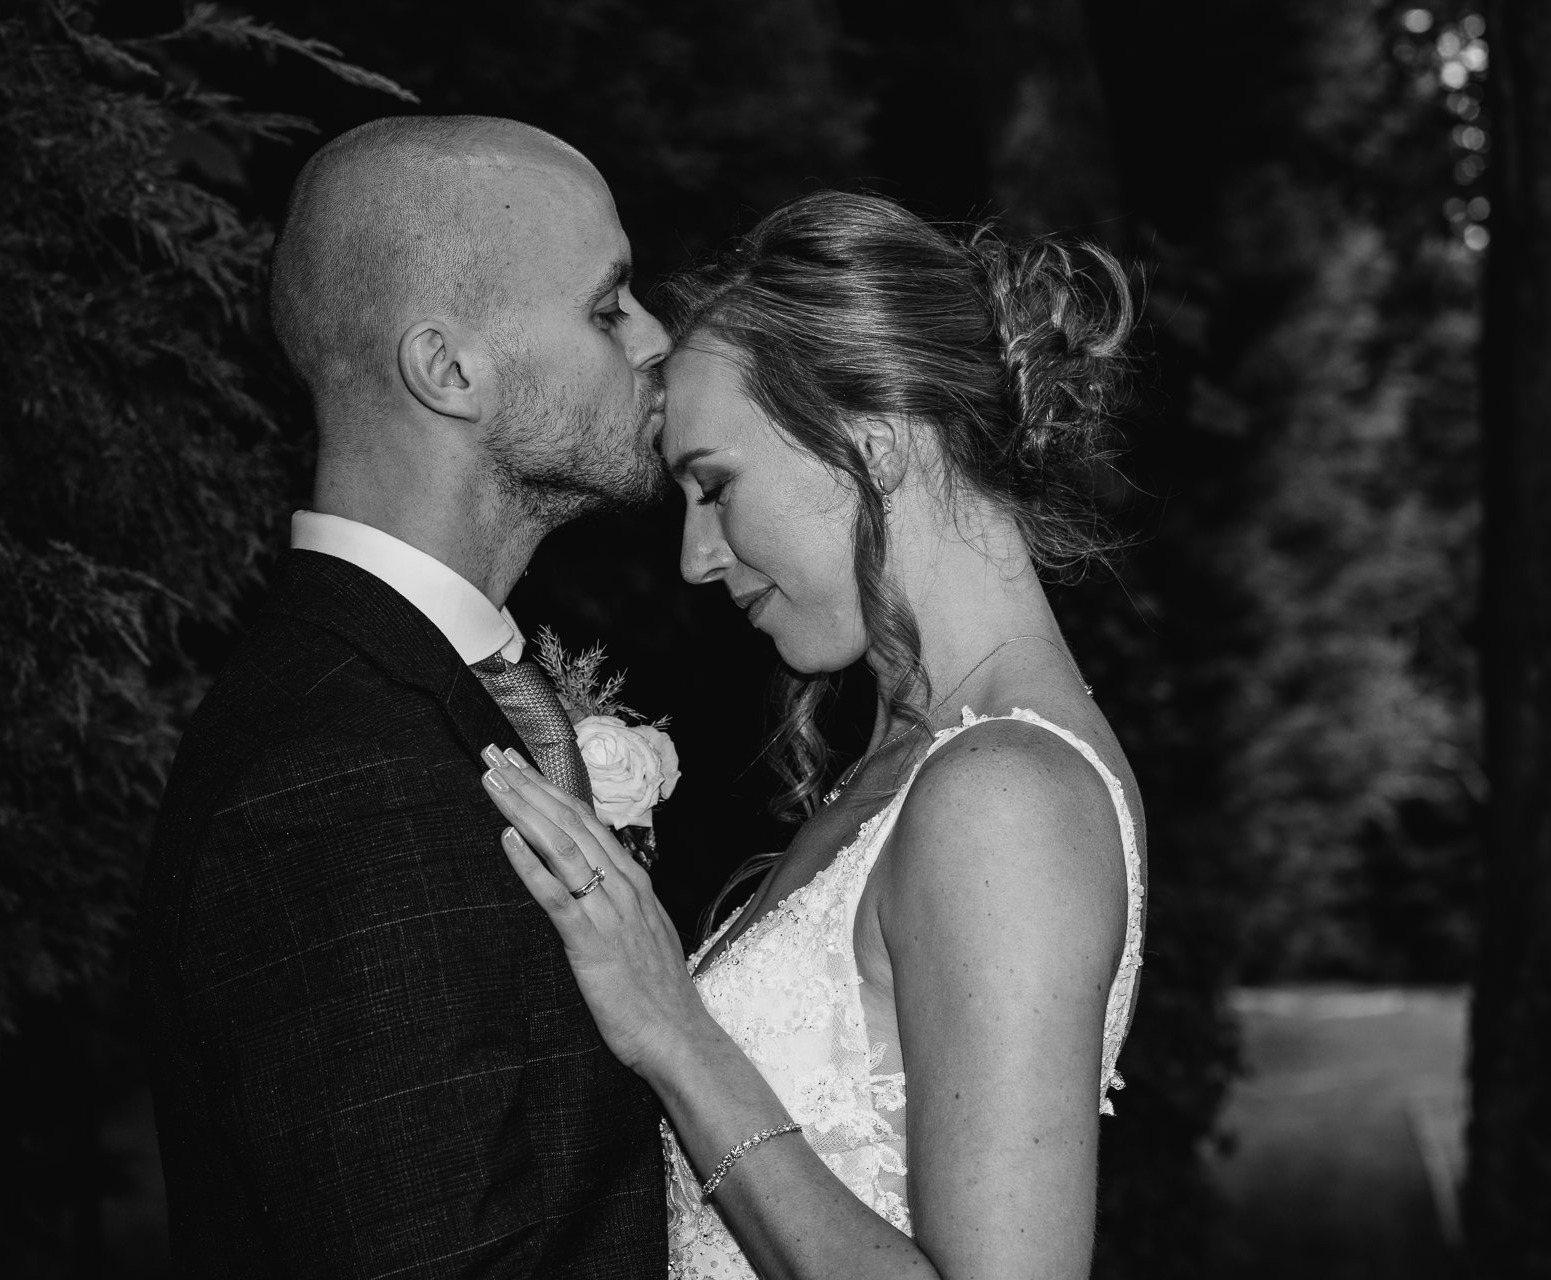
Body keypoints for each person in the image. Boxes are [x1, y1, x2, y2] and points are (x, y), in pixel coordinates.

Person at [478, 191, 1147, 1279]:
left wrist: (677, 1034)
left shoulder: (1005, 796)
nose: (696, 557)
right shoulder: (924, 762)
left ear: (873, 448)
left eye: (714, 485)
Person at [135, 115, 673, 1277]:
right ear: (448, 369)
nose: (657, 338)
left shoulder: (432, 692)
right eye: (607, 306)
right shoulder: (336, 774)